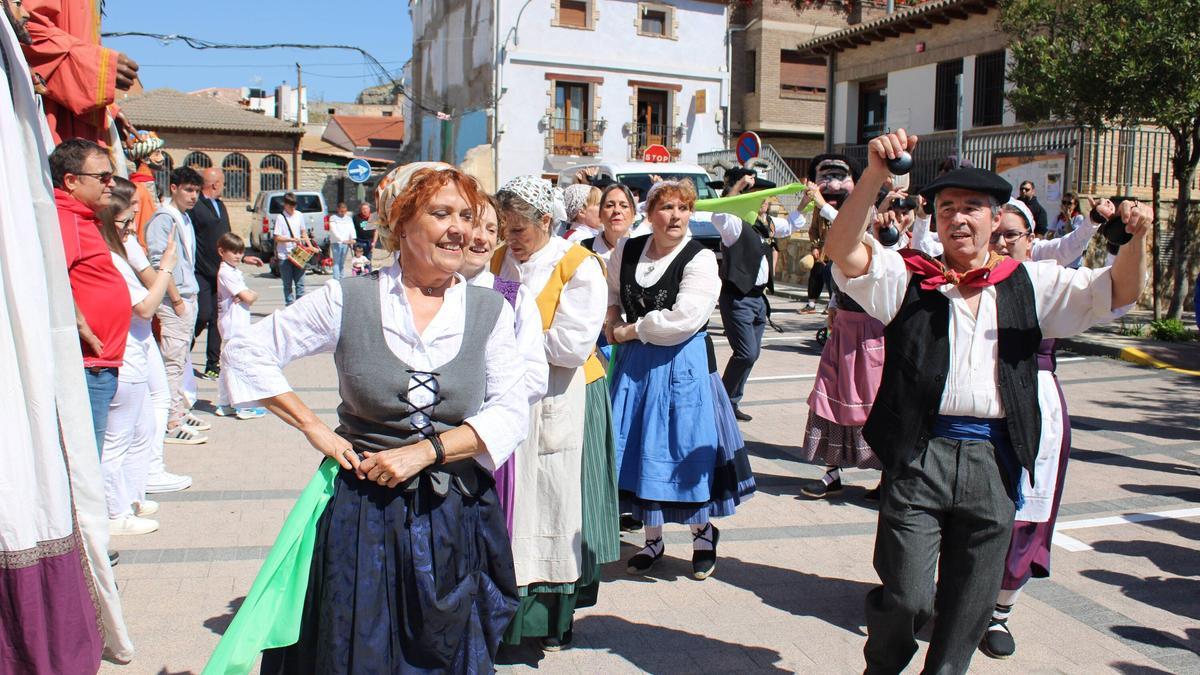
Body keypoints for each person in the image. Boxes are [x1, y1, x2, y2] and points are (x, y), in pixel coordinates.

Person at [826, 128, 1150, 675]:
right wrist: (876, 175)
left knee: (969, 605)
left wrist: (1135, 238)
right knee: (907, 596)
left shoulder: (1031, 282)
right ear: (935, 218)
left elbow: (1120, 291)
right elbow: (843, 249)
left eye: (972, 207)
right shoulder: (908, 277)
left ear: (996, 218)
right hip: (920, 452)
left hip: (994, 459)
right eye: (947, 207)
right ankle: (882, 667)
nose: (959, 218)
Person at [212, 165, 528, 672]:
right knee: (359, 645)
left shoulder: (490, 310)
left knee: (445, 649)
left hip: (453, 511)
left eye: (467, 216)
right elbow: (247, 351)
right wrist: (314, 428)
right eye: (441, 213)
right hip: (364, 513)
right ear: (400, 222)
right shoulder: (349, 298)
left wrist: (425, 452)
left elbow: (511, 409)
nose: (460, 230)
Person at [979, 195, 1116, 660]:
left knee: (1025, 515)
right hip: (978, 403)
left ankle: (1001, 609)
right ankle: (955, 594)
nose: (1001, 243)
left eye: (1011, 235)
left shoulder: (1046, 279)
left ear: (1030, 239)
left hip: (1035, 401)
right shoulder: (968, 279)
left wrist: (1114, 238)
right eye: (995, 234)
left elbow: (1109, 296)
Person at [606, 178, 756, 581]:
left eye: (683, 208)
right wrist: (611, 318)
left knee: (684, 449)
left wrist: (629, 330)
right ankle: (652, 540)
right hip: (637, 366)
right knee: (639, 449)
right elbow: (613, 293)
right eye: (667, 207)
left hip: (682, 365)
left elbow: (684, 320)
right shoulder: (628, 249)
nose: (676, 216)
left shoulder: (699, 258)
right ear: (650, 213)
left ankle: (703, 535)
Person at [492, 175, 616, 652]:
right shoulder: (501, 260)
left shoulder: (577, 265)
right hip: (509, 402)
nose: (510, 238)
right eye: (505, 228)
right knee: (514, 508)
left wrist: (507, 340)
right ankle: (504, 612)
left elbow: (571, 345)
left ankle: (551, 619)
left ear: (546, 221)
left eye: (518, 229)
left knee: (551, 502)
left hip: (557, 398)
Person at [455, 185, 549, 534]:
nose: (482, 238)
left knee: (485, 543)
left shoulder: (512, 297)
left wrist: (482, 416)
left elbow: (534, 376)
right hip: (428, 441)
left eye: (492, 229)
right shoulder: (426, 291)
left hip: (487, 445)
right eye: (475, 225)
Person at [96, 185, 177, 536]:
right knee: (117, 441)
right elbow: (145, 307)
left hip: (136, 354)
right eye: (125, 223)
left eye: (132, 222)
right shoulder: (111, 261)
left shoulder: (121, 255)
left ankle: (130, 497)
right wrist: (167, 270)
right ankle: (115, 512)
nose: (131, 229)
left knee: (142, 431)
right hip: (124, 356)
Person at [105, 177, 196, 488]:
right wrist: (170, 278)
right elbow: (146, 300)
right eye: (131, 212)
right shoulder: (116, 248)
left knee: (149, 408)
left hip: (139, 335)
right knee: (125, 428)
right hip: (129, 340)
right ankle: (137, 484)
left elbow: (147, 277)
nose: (134, 224)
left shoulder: (125, 241)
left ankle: (143, 477)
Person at [50, 138, 130, 455]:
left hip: (98, 363)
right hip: (88, 366)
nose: (111, 184)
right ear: (71, 180)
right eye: (103, 177)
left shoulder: (81, 217)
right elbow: (51, 277)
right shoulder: (65, 218)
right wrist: (80, 323)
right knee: (84, 458)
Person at [711, 167, 799, 421]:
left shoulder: (766, 223)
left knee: (752, 354)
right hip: (738, 297)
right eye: (759, 196)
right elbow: (720, 214)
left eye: (766, 196)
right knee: (746, 353)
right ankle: (721, 404)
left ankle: (731, 402)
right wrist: (737, 187)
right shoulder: (735, 225)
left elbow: (790, 225)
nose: (765, 201)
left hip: (759, 298)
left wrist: (804, 204)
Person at [146, 166, 211, 444]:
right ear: (174, 188)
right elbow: (159, 262)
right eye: (188, 190)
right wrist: (175, 299)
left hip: (187, 296)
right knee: (172, 360)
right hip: (176, 300)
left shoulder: (183, 217)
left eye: (196, 191)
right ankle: (170, 422)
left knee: (181, 358)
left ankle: (179, 410)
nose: (193, 196)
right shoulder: (164, 218)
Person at [21, 0, 140, 144]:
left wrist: (108, 110)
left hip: (80, 119)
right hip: (48, 115)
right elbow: (24, 25)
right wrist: (97, 65)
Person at [191, 167, 262, 380]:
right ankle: (184, 348)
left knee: (217, 319)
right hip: (202, 271)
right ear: (215, 184)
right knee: (203, 314)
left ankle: (212, 364)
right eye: (223, 183)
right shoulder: (196, 206)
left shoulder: (220, 205)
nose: (224, 187)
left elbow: (227, 237)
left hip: (220, 272)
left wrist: (243, 256)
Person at [213, 232, 266, 420]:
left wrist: (247, 294)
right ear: (222, 252)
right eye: (234, 252)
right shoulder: (226, 272)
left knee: (228, 364)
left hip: (234, 323)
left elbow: (245, 296)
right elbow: (248, 297)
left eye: (240, 252)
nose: (238, 256)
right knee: (240, 364)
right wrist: (252, 294)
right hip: (234, 326)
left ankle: (225, 403)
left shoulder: (232, 270)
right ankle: (244, 406)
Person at [800, 155, 857, 313]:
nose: (833, 185)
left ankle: (833, 303)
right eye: (825, 177)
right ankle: (814, 304)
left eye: (841, 176)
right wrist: (815, 246)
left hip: (842, 252)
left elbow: (847, 225)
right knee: (818, 274)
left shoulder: (855, 210)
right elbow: (813, 229)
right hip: (823, 250)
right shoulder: (818, 209)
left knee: (835, 276)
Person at [582, 183, 638, 264]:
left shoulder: (645, 249)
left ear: (634, 215)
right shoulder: (584, 249)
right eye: (610, 205)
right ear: (600, 214)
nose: (616, 210)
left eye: (624, 206)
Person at [274, 192, 313, 306]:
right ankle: (289, 306)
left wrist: (310, 246)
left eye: (294, 205)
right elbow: (277, 237)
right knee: (287, 284)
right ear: (285, 205)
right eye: (291, 206)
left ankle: (300, 307)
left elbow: (303, 232)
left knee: (300, 283)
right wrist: (291, 239)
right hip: (285, 255)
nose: (293, 208)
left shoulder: (299, 215)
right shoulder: (280, 218)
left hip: (298, 253)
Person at [327, 201, 355, 280]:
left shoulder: (348, 218)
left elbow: (351, 229)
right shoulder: (333, 218)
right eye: (341, 211)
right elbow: (333, 230)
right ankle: (336, 279)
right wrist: (341, 239)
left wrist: (352, 238)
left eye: (344, 211)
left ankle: (342, 279)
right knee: (336, 262)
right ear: (338, 209)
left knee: (342, 262)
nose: (343, 213)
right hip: (336, 242)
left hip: (346, 243)